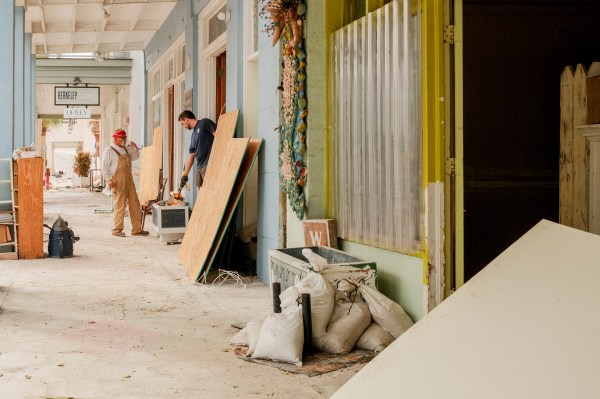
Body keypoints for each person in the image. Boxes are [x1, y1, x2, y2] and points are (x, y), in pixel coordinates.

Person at [101, 128, 149, 237]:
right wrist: (108, 180)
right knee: (120, 204)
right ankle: (117, 230)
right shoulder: (110, 150)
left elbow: (135, 157)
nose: (124, 139)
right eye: (122, 137)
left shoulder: (126, 149)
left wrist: (134, 148)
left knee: (135, 203)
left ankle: (136, 229)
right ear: (115, 138)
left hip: (129, 179)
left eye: (125, 137)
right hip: (118, 180)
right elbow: (104, 167)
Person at [178, 110, 217, 189]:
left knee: (210, 193)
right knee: (201, 196)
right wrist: (185, 174)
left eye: (182, 124)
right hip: (199, 167)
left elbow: (219, 136)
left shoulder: (204, 123)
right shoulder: (193, 136)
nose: (184, 126)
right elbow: (191, 156)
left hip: (208, 164)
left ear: (186, 119)